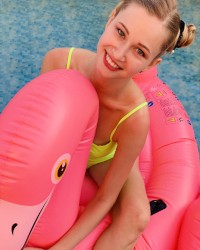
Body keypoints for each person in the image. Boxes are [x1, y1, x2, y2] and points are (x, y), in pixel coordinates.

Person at [25, 0, 196, 249]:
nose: (119, 53)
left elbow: (106, 197)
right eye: (120, 32)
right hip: (63, 148)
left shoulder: (134, 117)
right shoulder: (59, 62)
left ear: (150, 65)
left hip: (103, 156)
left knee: (138, 216)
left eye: (139, 51)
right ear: (110, 18)